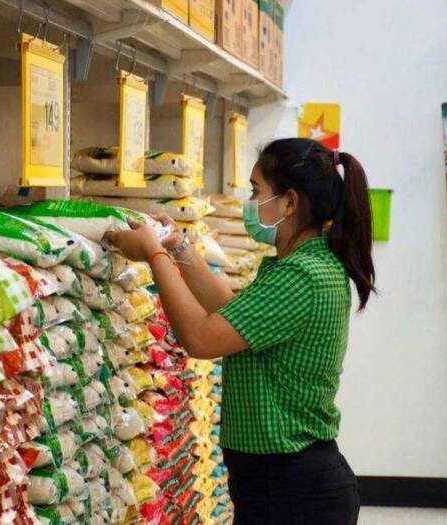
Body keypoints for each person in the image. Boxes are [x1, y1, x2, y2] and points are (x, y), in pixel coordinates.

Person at [104, 138, 375, 525]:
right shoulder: (301, 265)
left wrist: (154, 254)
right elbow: (231, 315)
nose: (251, 202)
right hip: (281, 483)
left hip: (294, 490)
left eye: (256, 191)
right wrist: (178, 247)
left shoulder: (302, 277)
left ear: (289, 202)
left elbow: (201, 338)